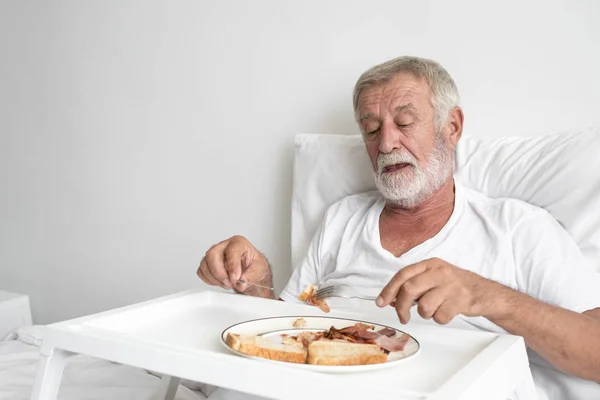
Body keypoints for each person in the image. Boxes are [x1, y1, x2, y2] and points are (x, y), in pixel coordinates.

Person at [197, 56, 600, 400]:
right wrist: (258, 284)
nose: (386, 143)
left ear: (452, 127)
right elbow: (288, 332)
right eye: (371, 129)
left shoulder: (517, 227)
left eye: (404, 122)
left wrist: (489, 296)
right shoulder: (343, 219)